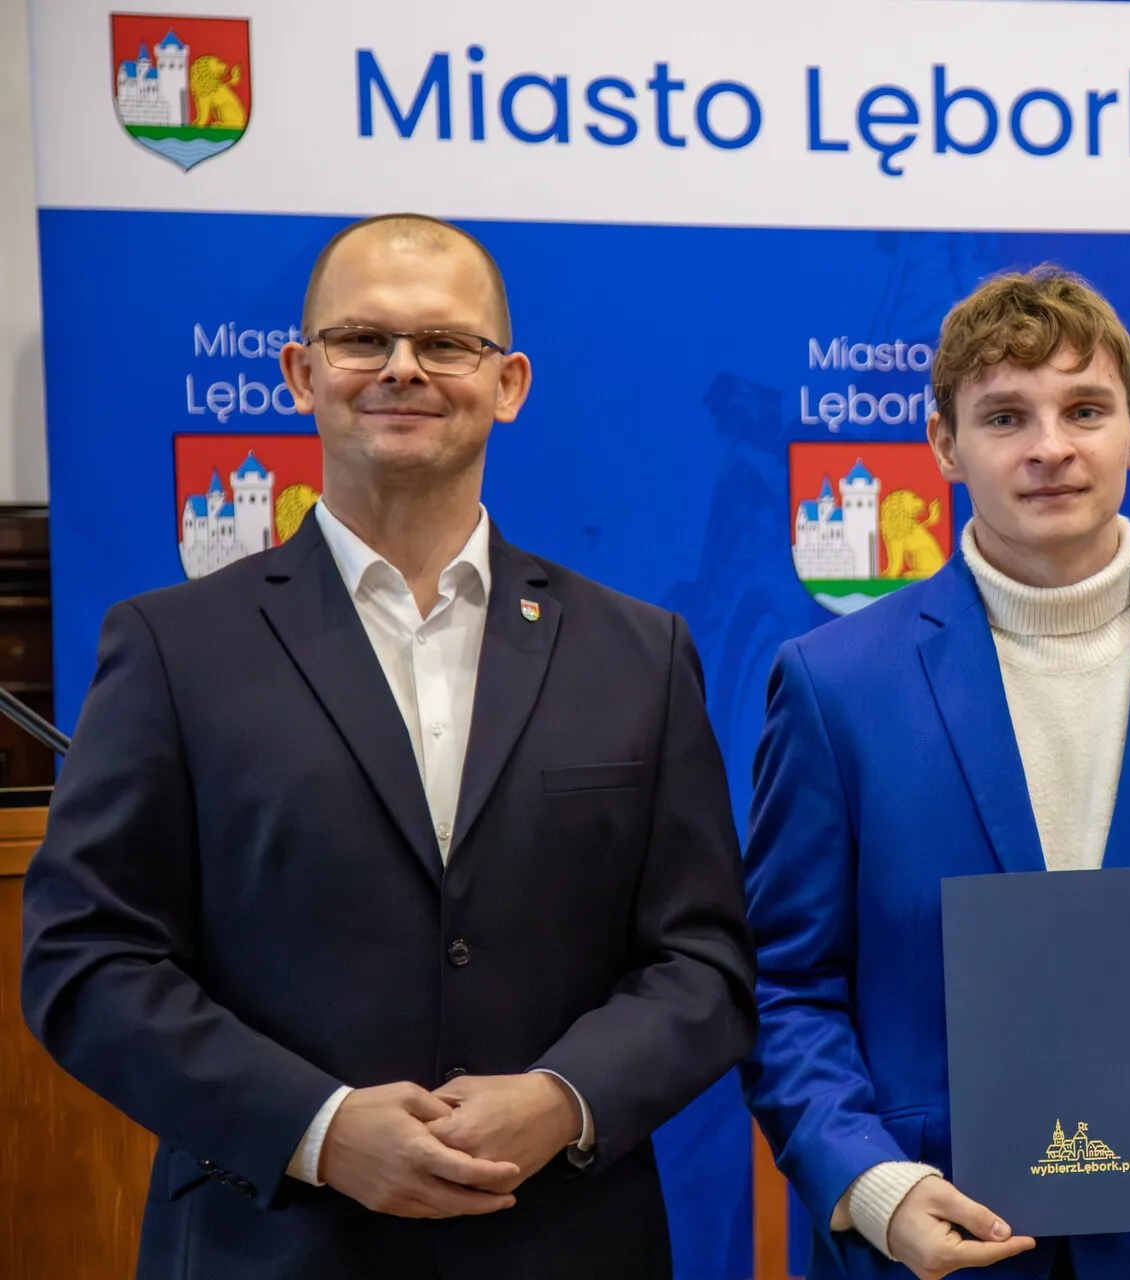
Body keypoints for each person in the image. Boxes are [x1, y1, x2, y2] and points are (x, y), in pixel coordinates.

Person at [20, 214, 757, 1279]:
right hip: (271, 1245)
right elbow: (86, 959)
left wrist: (563, 1098)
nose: (402, 368)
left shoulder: (640, 652)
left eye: (445, 343)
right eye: (363, 338)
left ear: (507, 383)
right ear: (300, 373)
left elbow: (705, 962)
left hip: (564, 1245)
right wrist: (316, 1127)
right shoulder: (173, 647)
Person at [742, 267, 1130, 1279]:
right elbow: (785, 984)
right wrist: (877, 1188)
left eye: (1085, 410)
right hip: (929, 1252)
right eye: (1004, 416)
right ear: (944, 445)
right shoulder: (834, 686)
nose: (1051, 446)